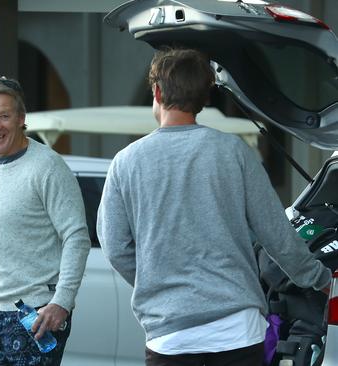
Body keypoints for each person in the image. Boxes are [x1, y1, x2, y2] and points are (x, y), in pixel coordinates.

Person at [96, 48, 332, 366]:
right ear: (205, 98)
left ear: (156, 91)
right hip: (238, 330)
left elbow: (114, 247)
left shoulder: (126, 162)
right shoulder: (233, 152)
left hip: (170, 335)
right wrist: (318, 278)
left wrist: (157, 280)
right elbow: (276, 233)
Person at [0, 77, 91, 365]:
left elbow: (77, 237)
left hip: (36, 314)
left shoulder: (48, 167)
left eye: (4, 116)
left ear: (21, 118)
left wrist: (62, 302)